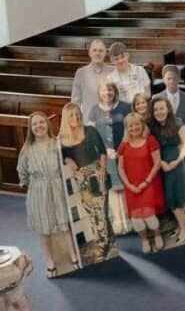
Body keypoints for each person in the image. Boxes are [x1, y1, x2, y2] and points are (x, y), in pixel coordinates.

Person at [59, 103, 114, 265]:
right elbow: (59, 155)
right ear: (66, 118)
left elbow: (102, 151)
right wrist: (67, 159)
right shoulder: (62, 139)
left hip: (97, 174)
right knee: (91, 213)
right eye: (71, 115)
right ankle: (109, 241)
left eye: (77, 114)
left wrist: (102, 168)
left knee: (100, 212)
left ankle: (102, 247)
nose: (76, 117)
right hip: (81, 180)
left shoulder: (90, 130)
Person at [18, 112, 72, 277]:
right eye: (34, 124)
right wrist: (35, 186)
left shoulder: (57, 144)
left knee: (64, 224)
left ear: (47, 124)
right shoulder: (27, 149)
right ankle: (50, 261)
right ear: (31, 128)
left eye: (41, 122)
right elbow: (22, 172)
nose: (38, 126)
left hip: (57, 187)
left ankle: (74, 256)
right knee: (44, 227)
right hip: (38, 191)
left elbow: (66, 164)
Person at [118, 113, 165, 253]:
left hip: (148, 184)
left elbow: (157, 163)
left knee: (150, 217)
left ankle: (157, 235)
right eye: (130, 126)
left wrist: (146, 181)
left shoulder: (150, 140)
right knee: (137, 220)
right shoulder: (124, 145)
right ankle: (144, 240)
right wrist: (128, 185)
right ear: (126, 128)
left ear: (143, 125)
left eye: (137, 124)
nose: (134, 128)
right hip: (131, 187)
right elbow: (120, 168)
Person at [87, 79, 130, 234]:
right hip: (105, 155)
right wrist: (105, 150)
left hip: (123, 152)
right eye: (104, 90)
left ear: (115, 92)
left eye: (110, 90)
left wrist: (120, 149)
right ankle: (118, 222)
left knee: (124, 185)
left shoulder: (125, 107)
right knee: (112, 187)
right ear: (99, 93)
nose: (107, 93)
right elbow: (91, 135)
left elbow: (130, 129)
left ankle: (128, 220)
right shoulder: (94, 110)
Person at [149, 98, 185, 244]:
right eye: (156, 109)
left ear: (168, 109)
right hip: (161, 165)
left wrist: (177, 160)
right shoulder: (152, 127)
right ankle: (181, 226)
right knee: (170, 198)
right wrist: (161, 163)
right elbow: (151, 148)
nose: (159, 112)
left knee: (176, 197)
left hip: (176, 163)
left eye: (162, 108)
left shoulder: (177, 122)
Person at [71, 39, 114, 118]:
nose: (97, 53)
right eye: (94, 50)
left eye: (101, 51)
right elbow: (75, 101)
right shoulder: (81, 73)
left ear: (105, 53)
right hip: (88, 120)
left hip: (109, 119)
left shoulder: (113, 71)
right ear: (90, 53)